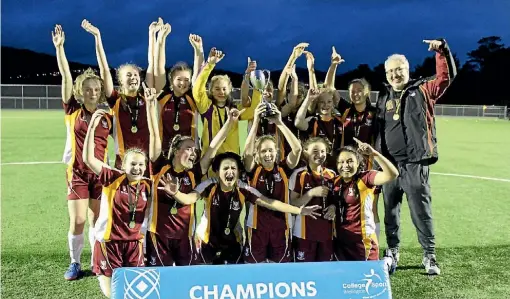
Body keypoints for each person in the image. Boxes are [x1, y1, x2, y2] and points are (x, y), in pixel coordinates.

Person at [375, 39, 457, 275]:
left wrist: (442, 51)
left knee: (420, 212)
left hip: (414, 164)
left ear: (407, 69)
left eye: (398, 69)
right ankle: (392, 252)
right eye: (390, 71)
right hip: (388, 166)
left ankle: (429, 255)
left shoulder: (422, 89)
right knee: (390, 212)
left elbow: (445, 78)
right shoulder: (383, 96)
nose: (394, 74)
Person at [159, 150, 320, 265]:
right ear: (217, 172)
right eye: (225, 168)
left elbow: (270, 203)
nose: (230, 172)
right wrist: (176, 193)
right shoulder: (210, 185)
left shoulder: (244, 189)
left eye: (233, 168)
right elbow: (189, 199)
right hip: (206, 243)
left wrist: (299, 210)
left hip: (233, 243)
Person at [144, 92, 237, 266]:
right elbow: (154, 136)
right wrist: (150, 106)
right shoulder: (159, 166)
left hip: (185, 237)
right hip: (159, 235)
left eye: (195, 151)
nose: (194, 153)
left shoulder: (194, 173)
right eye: (189, 149)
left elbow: (213, 147)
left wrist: (230, 123)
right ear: (177, 150)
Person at [83, 87, 157, 297]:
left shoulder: (147, 185)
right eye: (133, 164)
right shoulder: (113, 177)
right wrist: (93, 126)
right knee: (113, 294)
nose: (137, 168)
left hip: (134, 245)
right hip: (109, 243)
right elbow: (89, 159)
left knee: (135, 293)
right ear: (123, 165)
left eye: (141, 165)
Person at [53, 24, 112, 281]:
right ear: (80, 91)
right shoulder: (72, 111)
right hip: (77, 173)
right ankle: (74, 262)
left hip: (99, 174)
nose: (93, 92)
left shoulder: (107, 115)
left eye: (96, 88)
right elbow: (66, 77)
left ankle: (95, 261)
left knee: (97, 221)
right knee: (77, 220)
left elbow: (106, 72)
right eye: (88, 88)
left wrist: (98, 39)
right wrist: (60, 48)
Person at [82, 19, 153, 170]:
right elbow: (104, 70)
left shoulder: (147, 98)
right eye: (128, 75)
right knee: (122, 194)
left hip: (145, 161)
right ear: (120, 81)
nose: (133, 78)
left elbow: (153, 66)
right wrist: (97, 37)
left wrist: (153, 36)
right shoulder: (116, 100)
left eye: (135, 75)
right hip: (123, 161)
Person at [242, 103, 302, 263]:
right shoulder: (253, 169)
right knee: (253, 269)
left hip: (281, 229)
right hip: (256, 229)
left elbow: (297, 150)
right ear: (257, 154)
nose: (267, 154)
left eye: (270, 150)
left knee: (281, 270)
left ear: (276, 152)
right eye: (263, 151)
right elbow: (247, 153)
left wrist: (279, 123)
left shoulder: (283, 168)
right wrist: (255, 121)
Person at [326, 139, 398, 262]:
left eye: (350, 161)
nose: (345, 166)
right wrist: (332, 205)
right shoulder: (335, 182)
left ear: (358, 163)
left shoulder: (366, 178)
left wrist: (374, 153)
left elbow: (392, 174)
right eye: (341, 162)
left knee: (366, 280)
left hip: (363, 242)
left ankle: (387, 263)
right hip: (341, 242)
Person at [192, 48, 260, 158]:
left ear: (229, 90)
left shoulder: (234, 109)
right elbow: (197, 90)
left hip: (231, 162)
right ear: (211, 90)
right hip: (211, 162)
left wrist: (257, 87)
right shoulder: (207, 107)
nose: (221, 92)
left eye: (224, 89)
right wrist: (210, 64)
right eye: (217, 89)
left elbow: (252, 111)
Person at [153, 17, 204, 153]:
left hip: (189, 153)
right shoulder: (163, 96)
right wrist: (161, 39)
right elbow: (159, 67)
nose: (183, 83)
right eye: (179, 79)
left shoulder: (191, 98)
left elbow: (199, 75)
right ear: (171, 81)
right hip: (164, 151)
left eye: (187, 80)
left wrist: (198, 50)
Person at [340, 78, 381, 238]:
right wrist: (334, 66)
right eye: (352, 90)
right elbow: (329, 88)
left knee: (371, 208)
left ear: (367, 92)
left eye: (359, 90)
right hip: (347, 169)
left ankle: (374, 246)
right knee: (348, 206)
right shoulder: (345, 110)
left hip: (369, 168)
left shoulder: (376, 114)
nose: (355, 93)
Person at [290, 137, 336, 262]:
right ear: (306, 151)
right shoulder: (299, 174)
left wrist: (333, 207)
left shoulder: (332, 175)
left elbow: (337, 200)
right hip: (304, 234)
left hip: (327, 234)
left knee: (325, 272)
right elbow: (292, 203)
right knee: (303, 273)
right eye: (315, 151)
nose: (319, 155)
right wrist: (311, 193)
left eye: (323, 151)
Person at [295, 89, 344, 169]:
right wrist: (308, 99)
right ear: (317, 104)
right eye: (322, 102)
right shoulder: (313, 121)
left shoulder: (339, 122)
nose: (326, 105)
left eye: (329, 101)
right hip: (317, 167)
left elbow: (342, 146)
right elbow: (298, 123)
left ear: (333, 104)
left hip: (336, 168)